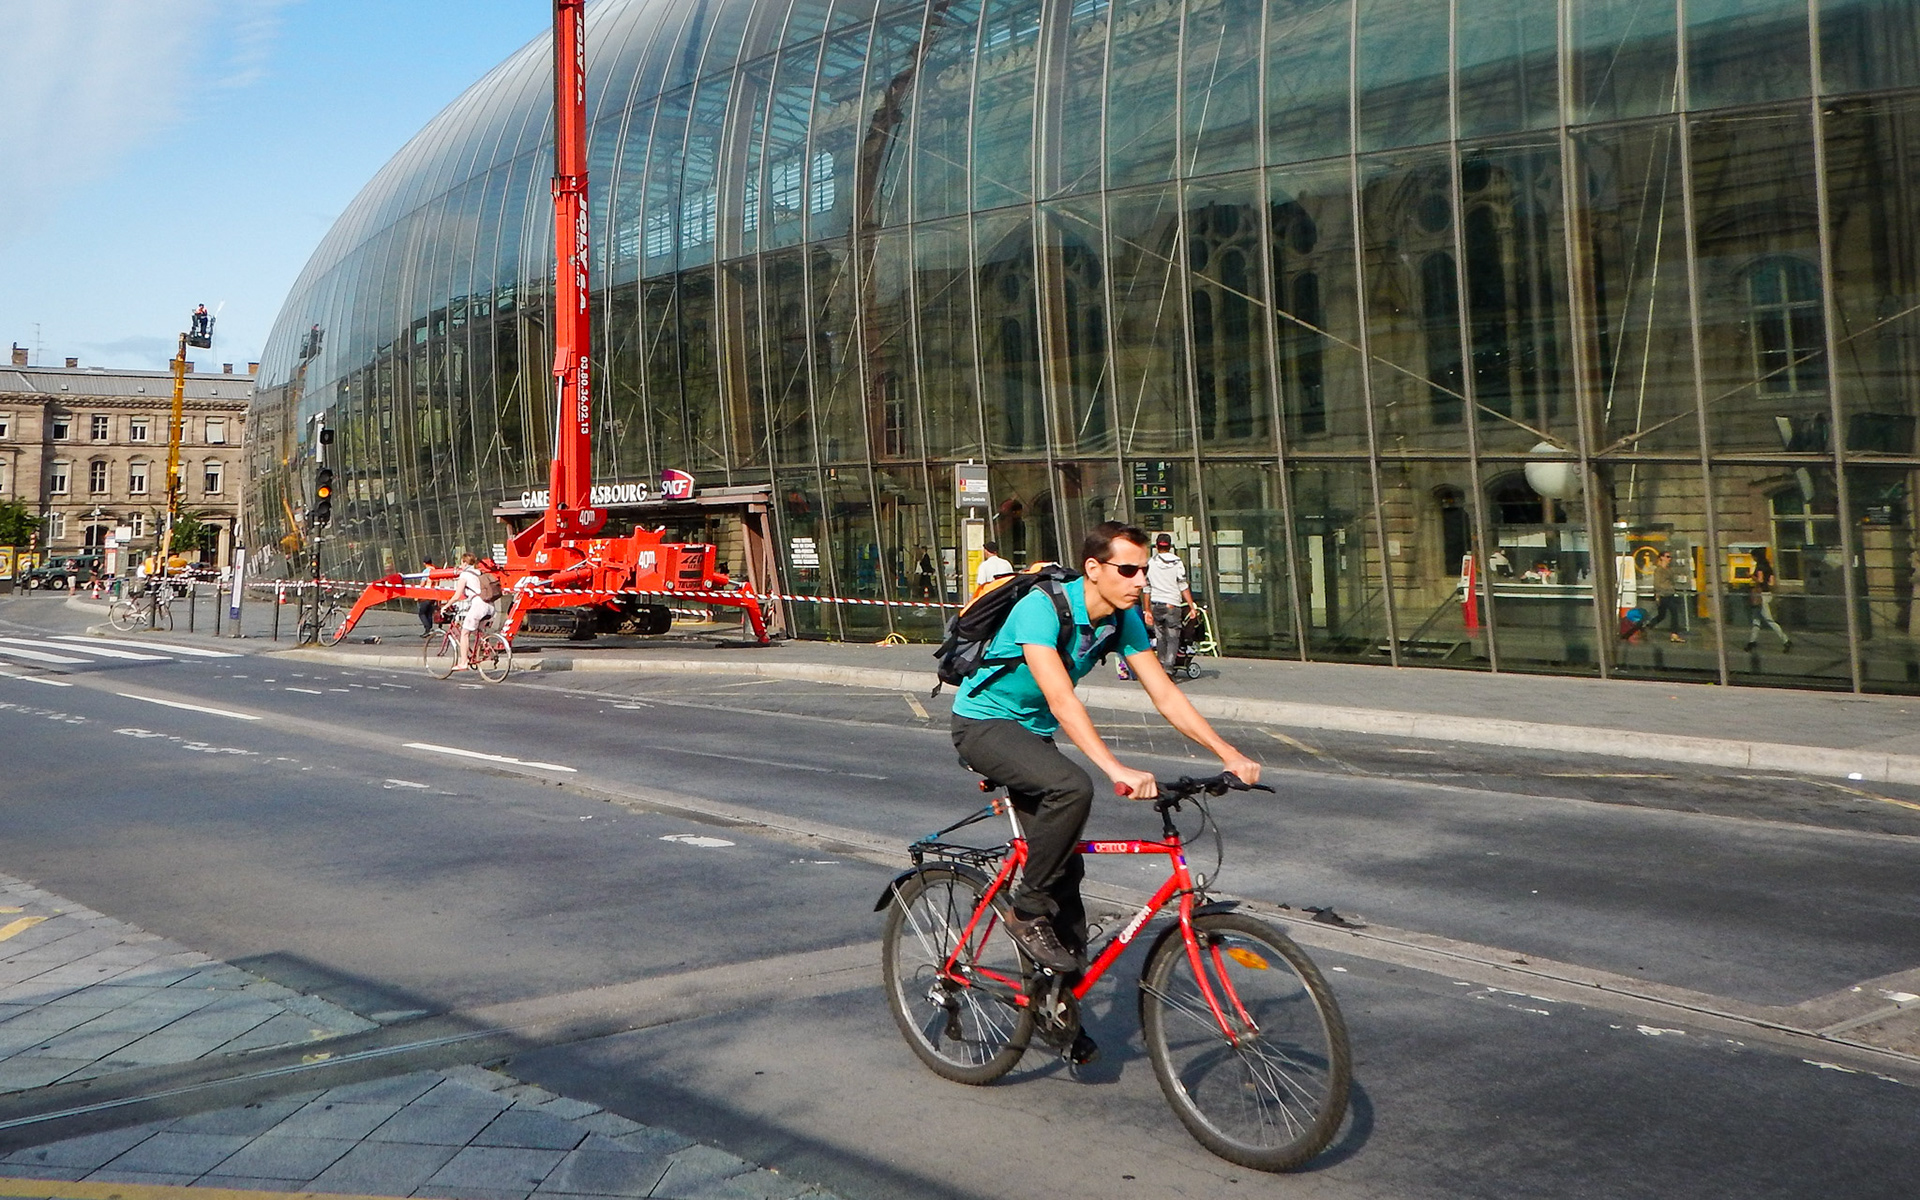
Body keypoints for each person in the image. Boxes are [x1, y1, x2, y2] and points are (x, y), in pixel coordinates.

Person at [949, 521, 1261, 1060]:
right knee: (1072, 788)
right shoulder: (1042, 608)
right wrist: (1114, 767)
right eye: (1128, 569)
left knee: (1067, 874)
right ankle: (1025, 910)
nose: (1140, 580)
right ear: (1094, 569)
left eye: (1144, 569)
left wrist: (1227, 753)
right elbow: (1062, 698)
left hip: (1032, 731)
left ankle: (1056, 1007)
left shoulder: (1122, 621)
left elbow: (1165, 694)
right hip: (984, 724)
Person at [1144, 533, 1196, 674]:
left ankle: (1161, 665)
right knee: (1173, 638)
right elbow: (1183, 586)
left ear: (1156, 546)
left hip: (1156, 604)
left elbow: (1146, 588)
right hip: (1172, 605)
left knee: (1160, 637)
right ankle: (1169, 667)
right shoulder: (1177, 562)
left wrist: (1147, 609)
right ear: (1170, 546)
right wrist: (1191, 606)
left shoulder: (1150, 563)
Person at [448, 552, 493, 669]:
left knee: (464, 633)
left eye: (461, 563)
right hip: (490, 606)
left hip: (479, 606)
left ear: (464, 562)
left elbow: (457, 595)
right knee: (478, 630)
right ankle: (485, 651)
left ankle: (463, 663)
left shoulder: (464, 575)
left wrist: (446, 605)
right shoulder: (479, 573)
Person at [1746, 546, 1791, 652]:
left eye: (1753, 557)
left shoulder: (1760, 566)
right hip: (1768, 594)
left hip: (1761, 596)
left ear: (1756, 556)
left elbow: (1760, 580)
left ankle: (1785, 640)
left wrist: (1750, 576)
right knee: (1756, 619)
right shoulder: (1768, 566)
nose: (1753, 558)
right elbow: (1771, 582)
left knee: (1769, 620)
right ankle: (1752, 642)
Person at [1641, 550, 1686, 643]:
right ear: (1661, 558)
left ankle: (1647, 627)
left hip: (1670, 594)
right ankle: (1674, 634)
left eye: (1670, 557)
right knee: (1674, 611)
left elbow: (1671, 581)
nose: (1669, 559)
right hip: (1663, 595)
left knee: (1662, 615)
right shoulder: (1659, 570)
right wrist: (1661, 592)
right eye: (1667, 556)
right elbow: (1657, 584)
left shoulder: (1669, 570)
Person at [406, 557, 439, 635]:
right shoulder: (436, 571)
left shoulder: (426, 571)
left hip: (426, 594)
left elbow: (423, 583)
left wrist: (417, 594)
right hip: (433, 594)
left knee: (422, 613)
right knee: (429, 612)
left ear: (424, 563)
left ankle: (427, 629)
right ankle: (430, 628)